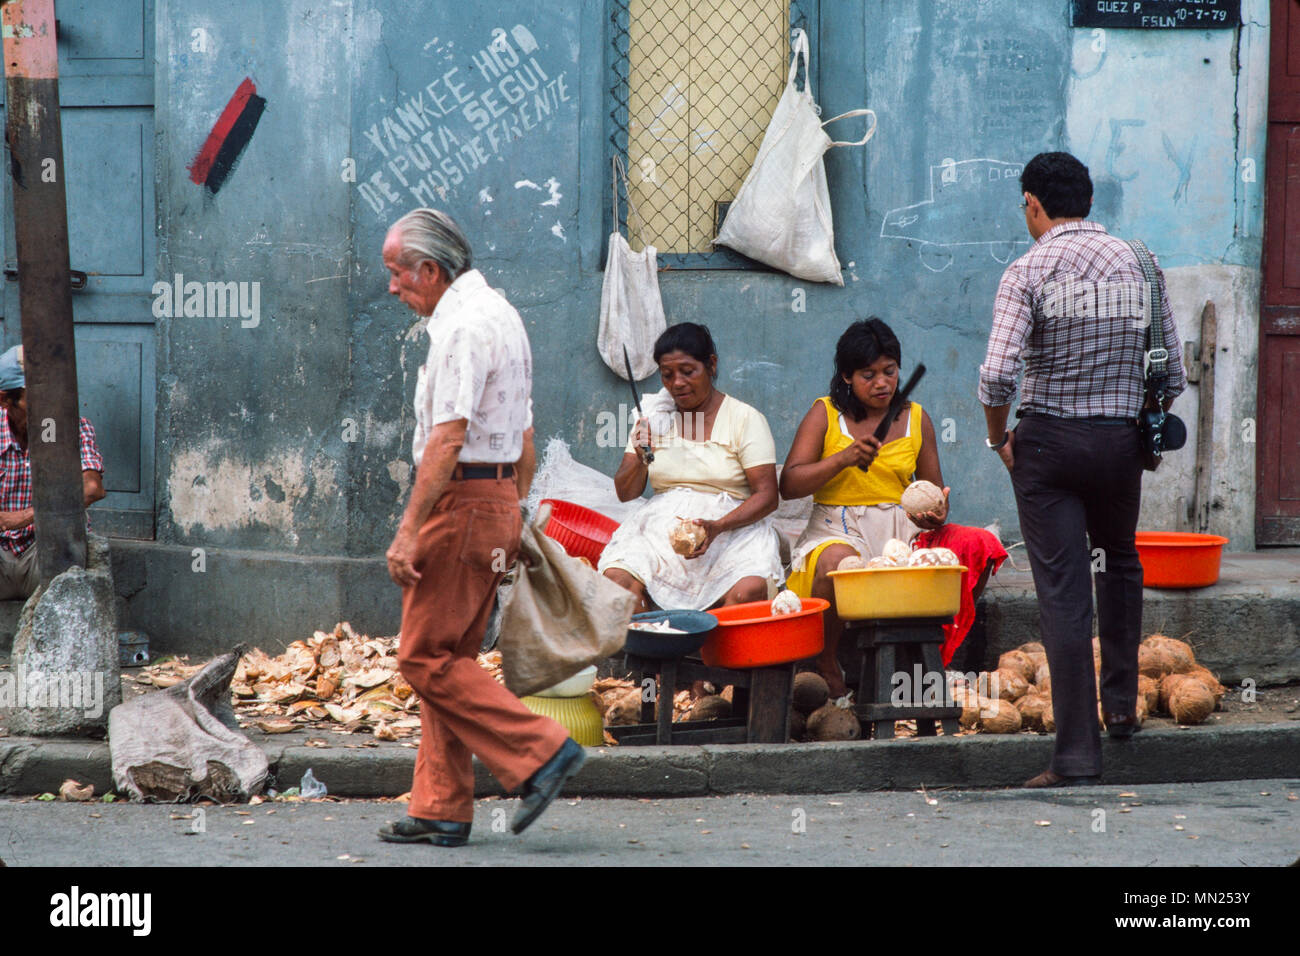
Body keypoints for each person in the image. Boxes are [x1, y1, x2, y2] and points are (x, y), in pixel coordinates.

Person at [378, 208, 584, 847]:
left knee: (423, 657)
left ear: (431, 270)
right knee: (452, 655)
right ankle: (441, 806)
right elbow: (523, 432)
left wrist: (409, 529)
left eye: (397, 274)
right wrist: (513, 510)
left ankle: (543, 750)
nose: (392, 288)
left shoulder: (462, 326)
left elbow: (447, 437)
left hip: (461, 502)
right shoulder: (502, 314)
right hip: (492, 500)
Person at [979, 151, 1186, 788]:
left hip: (1047, 449)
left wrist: (998, 441)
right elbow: (1173, 372)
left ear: (1034, 204)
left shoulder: (1027, 269)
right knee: (1119, 562)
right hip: (1120, 445)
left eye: (1025, 205)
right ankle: (1121, 709)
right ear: (1088, 201)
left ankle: (1075, 757)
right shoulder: (1143, 265)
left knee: (1064, 592)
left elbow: (995, 375)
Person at [781, 319, 1006, 697]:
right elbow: (789, 485)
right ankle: (826, 660)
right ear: (847, 376)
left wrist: (935, 513)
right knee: (837, 561)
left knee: (979, 545)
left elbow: (933, 492)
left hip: (905, 532)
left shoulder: (916, 417)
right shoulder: (825, 413)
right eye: (868, 375)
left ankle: (931, 653)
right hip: (839, 526)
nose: (882, 383)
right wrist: (844, 458)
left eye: (889, 371)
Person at [599, 322, 783, 613]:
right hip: (661, 529)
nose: (677, 383)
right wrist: (640, 455)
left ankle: (716, 653)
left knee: (747, 593)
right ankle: (655, 647)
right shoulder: (653, 418)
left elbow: (767, 496)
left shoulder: (744, 418)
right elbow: (625, 492)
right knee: (617, 582)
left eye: (688, 371)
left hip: (732, 530)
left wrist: (716, 527)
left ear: (711, 365)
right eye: (667, 374)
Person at [0, 345, 106, 599]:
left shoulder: (72, 426)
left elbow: (92, 488)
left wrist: (24, 517)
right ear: (4, 399)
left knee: (71, 527)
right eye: (35, 396)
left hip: (46, 555)